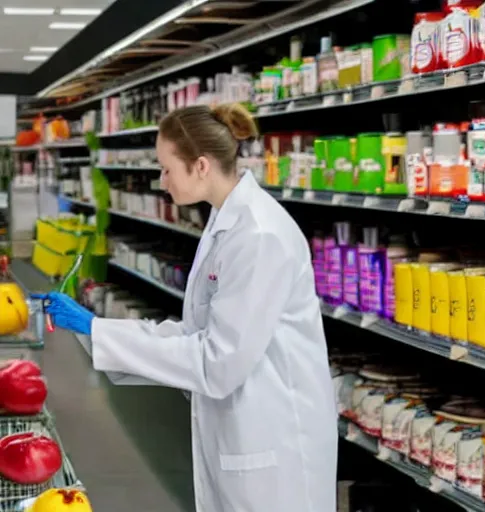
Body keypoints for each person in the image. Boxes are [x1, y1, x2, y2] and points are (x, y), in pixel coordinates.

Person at [34, 104, 338, 512]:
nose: (161, 182)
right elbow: (198, 334)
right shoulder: (223, 224)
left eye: (166, 169)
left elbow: (217, 362)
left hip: (276, 442)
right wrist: (97, 328)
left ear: (200, 166)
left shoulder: (260, 236)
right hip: (242, 429)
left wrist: (100, 331)